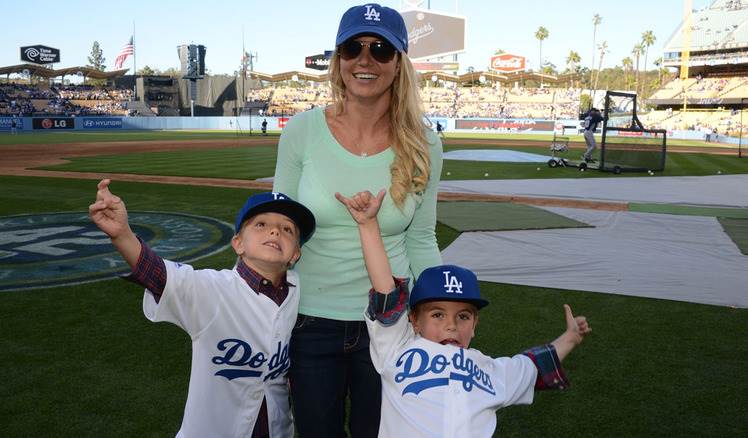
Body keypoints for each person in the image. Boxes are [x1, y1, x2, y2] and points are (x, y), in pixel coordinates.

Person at [272, 3, 443, 437]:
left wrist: (441, 312)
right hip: (310, 321)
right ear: (338, 61)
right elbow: (278, 228)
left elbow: (421, 239)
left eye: (381, 49)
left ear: (399, 63)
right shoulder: (302, 131)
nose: (365, 60)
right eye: (353, 48)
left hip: (391, 324)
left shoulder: (425, 144)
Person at [336, 189, 592, 437]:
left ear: (475, 323)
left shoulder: (488, 368)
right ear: (413, 320)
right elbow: (385, 291)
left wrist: (570, 338)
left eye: (463, 316)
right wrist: (368, 225)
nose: (452, 326)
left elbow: (532, 367)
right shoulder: (397, 348)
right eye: (438, 314)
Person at [88, 179, 315, 438]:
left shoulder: (295, 291)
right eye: (261, 224)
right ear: (238, 243)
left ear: (295, 254)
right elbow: (159, 275)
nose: (275, 232)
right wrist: (123, 235)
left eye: (287, 229)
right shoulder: (212, 289)